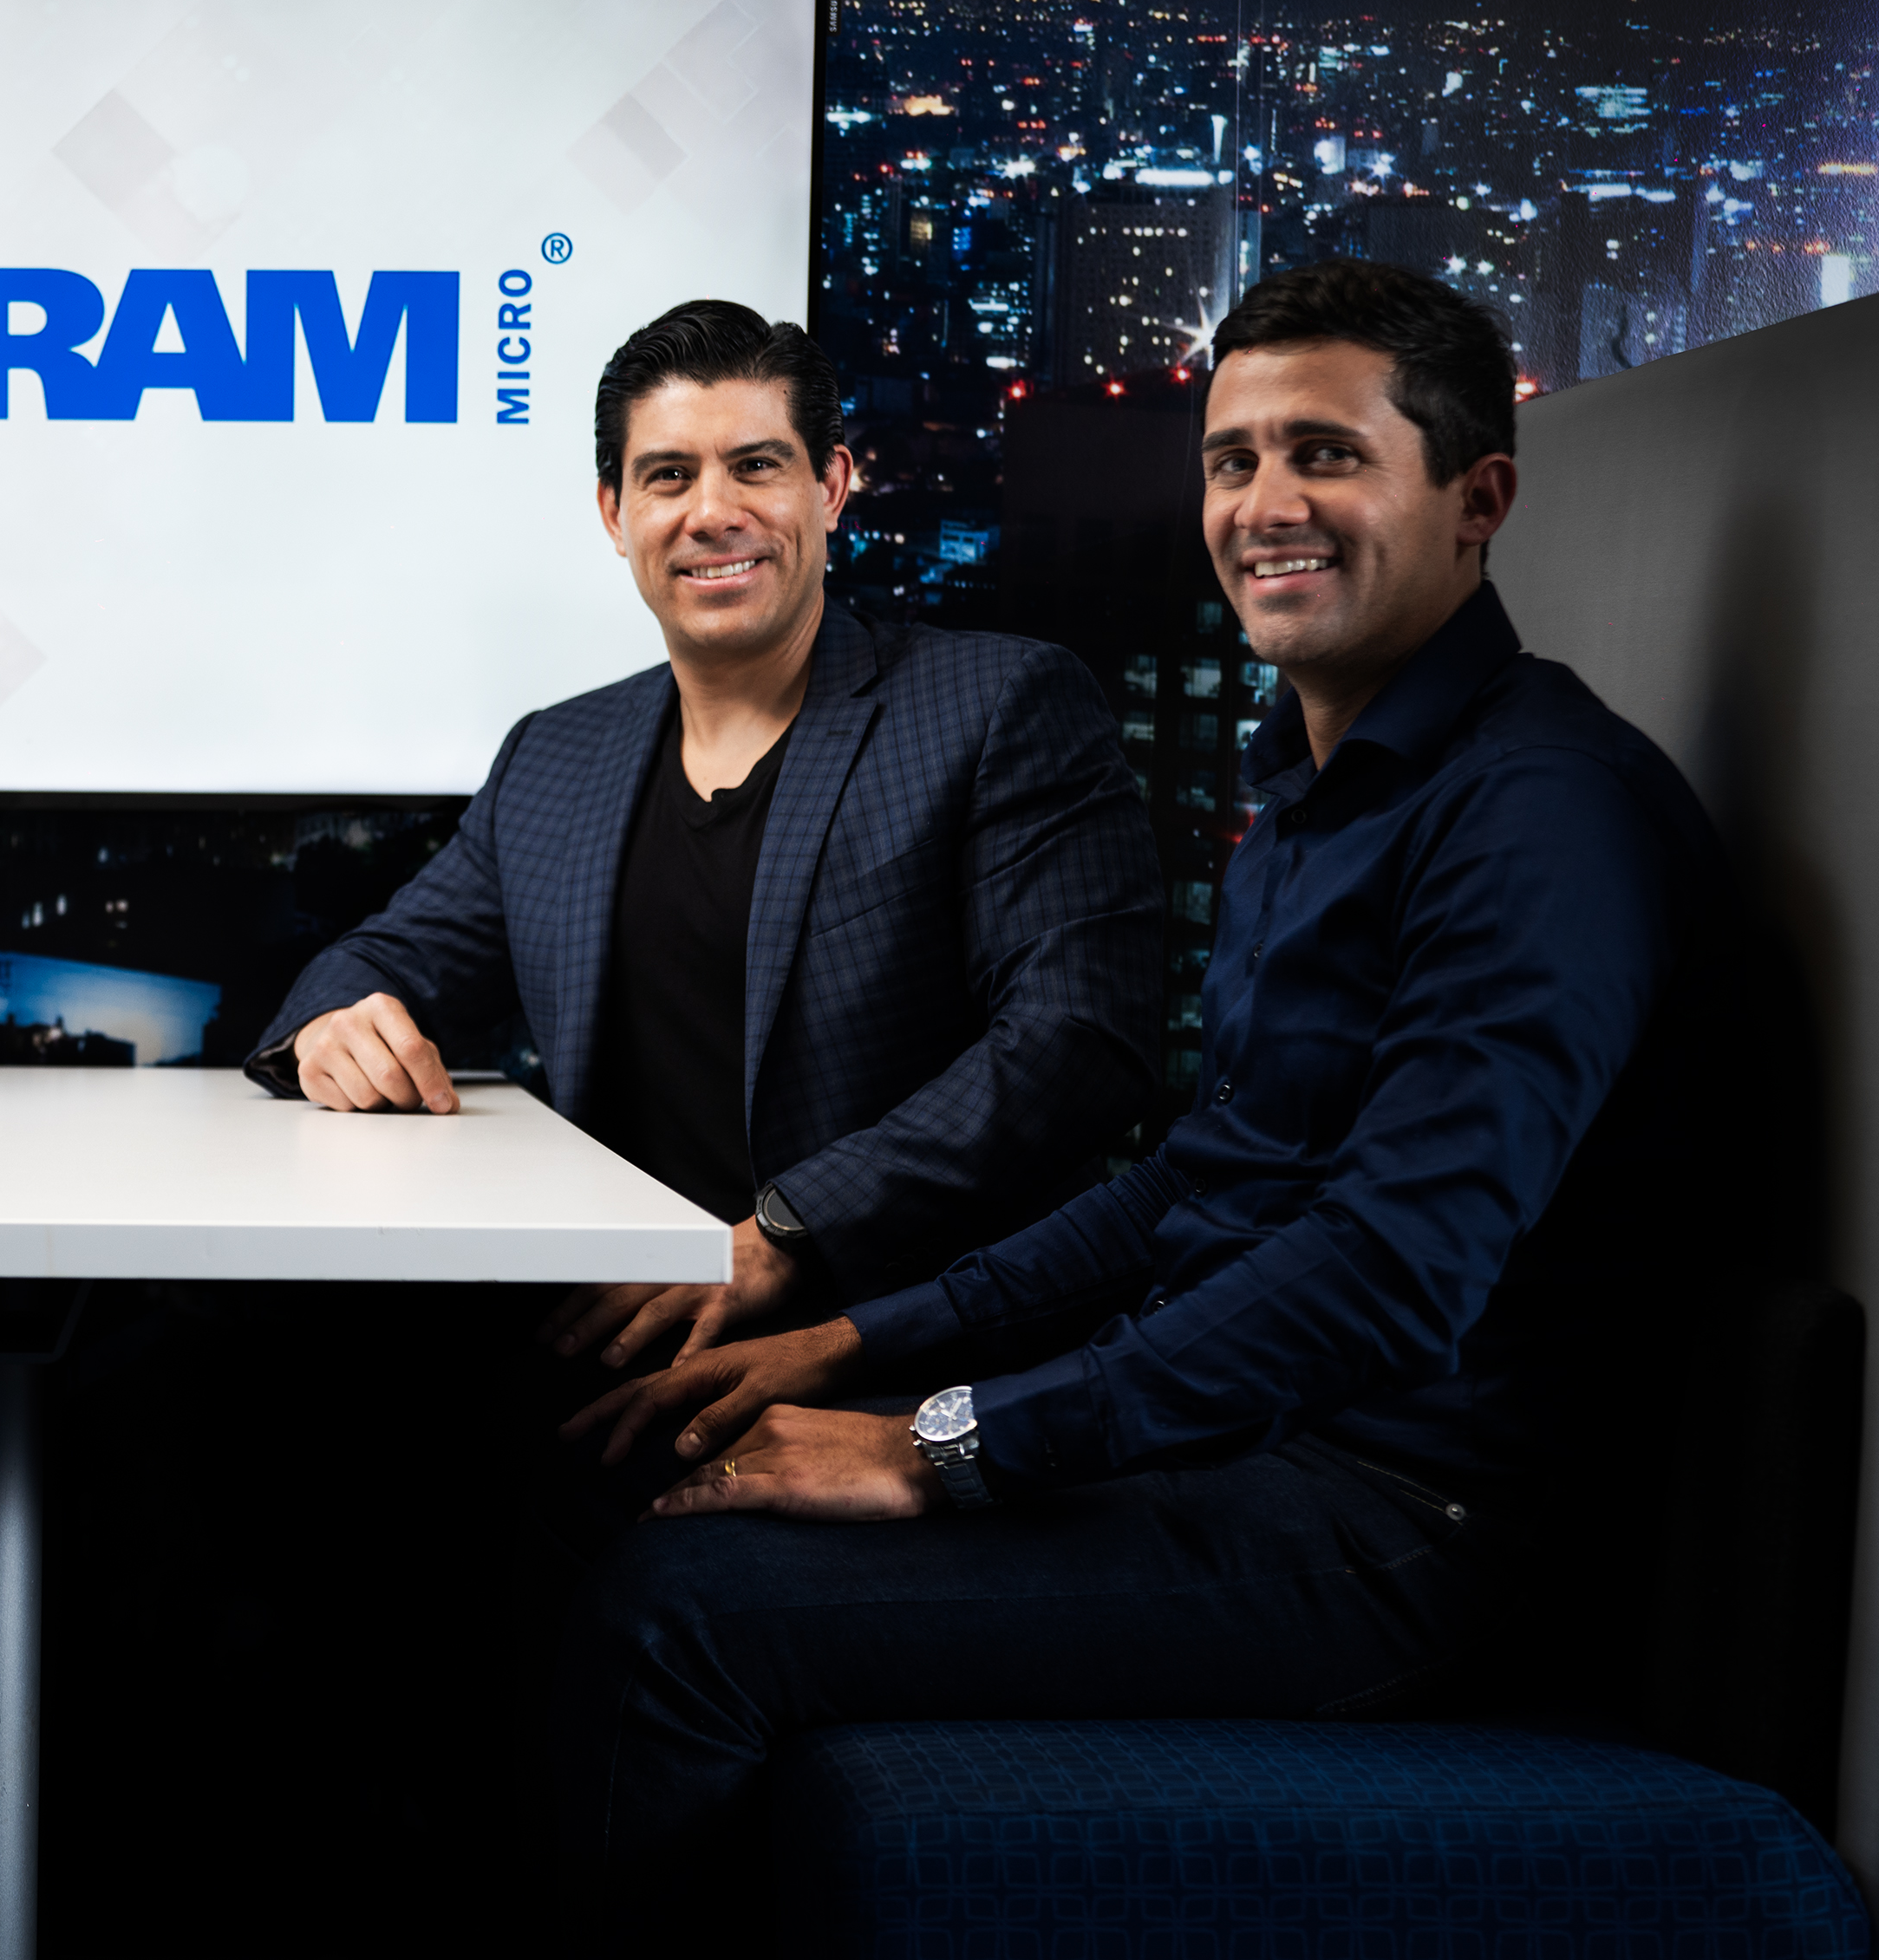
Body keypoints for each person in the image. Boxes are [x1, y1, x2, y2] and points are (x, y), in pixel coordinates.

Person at [548, 260, 1726, 1935]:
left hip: (1399, 1531)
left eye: (1324, 453)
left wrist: (948, 1447)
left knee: (685, 1604)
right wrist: (845, 1344)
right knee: (656, 1462)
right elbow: (1191, 1184)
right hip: (1263, 1453)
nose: (1264, 505)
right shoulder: (1319, 793)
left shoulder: (1543, 815)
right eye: (1231, 459)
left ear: (1480, 499)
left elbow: (1393, 1267)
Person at [251, 298, 1165, 1358]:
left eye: (756, 467)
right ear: (613, 512)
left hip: (882, 1355)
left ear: (830, 486)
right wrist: (332, 1025)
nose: (711, 511)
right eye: (668, 475)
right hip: (605, 1339)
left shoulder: (995, 705)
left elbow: (1076, 1044)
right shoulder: (557, 753)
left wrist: (783, 1236)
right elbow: (381, 959)